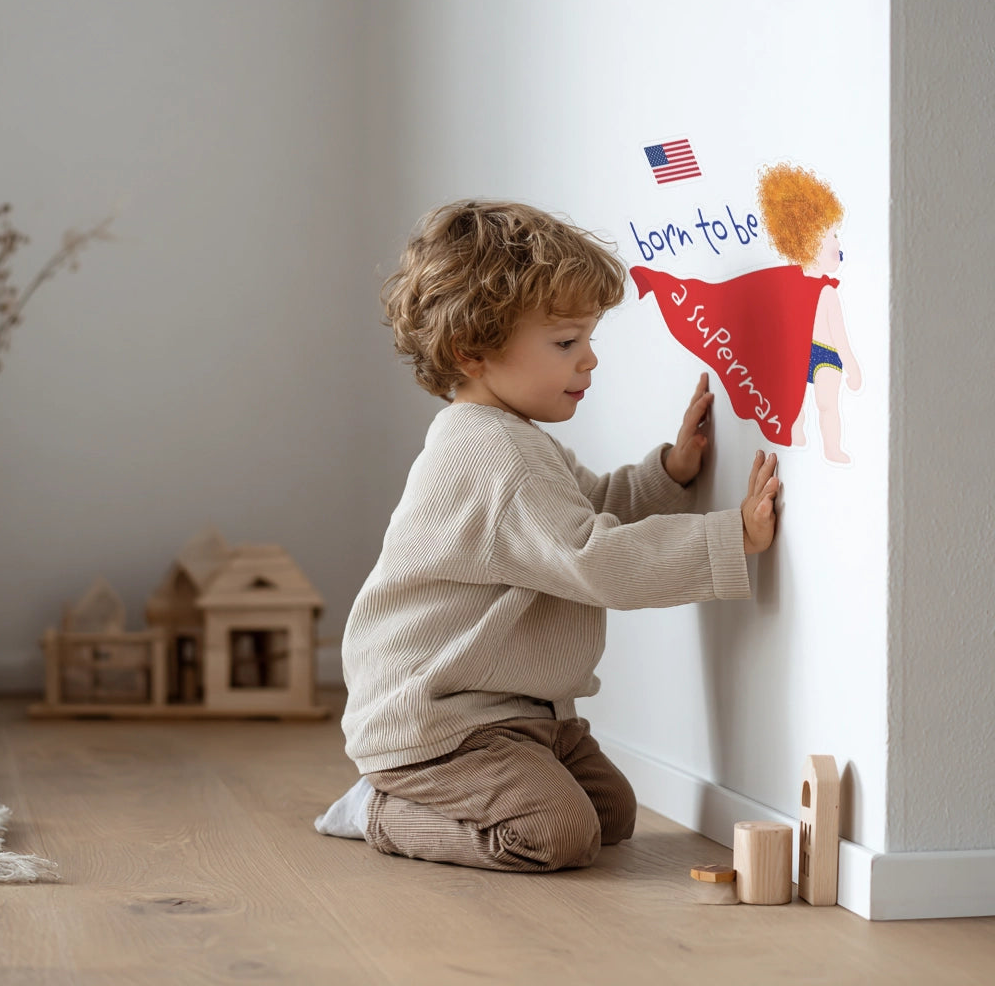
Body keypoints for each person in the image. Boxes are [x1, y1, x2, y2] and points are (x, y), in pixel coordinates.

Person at [315, 200, 780, 872]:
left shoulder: (514, 441)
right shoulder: (489, 455)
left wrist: (671, 475)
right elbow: (594, 560)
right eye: (566, 343)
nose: (589, 360)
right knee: (558, 834)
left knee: (611, 816)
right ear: (470, 352)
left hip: (517, 714)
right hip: (440, 723)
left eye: (588, 339)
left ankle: (447, 788)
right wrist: (729, 537)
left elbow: (589, 510)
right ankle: (377, 811)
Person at [756, 163, 863, 463]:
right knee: (795, 402)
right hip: (801, 351)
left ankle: (831, 447)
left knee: (827, 405)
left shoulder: (828, 292)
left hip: (827, 353)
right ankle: (797, 433)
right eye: (832, 235)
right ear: (808, 240)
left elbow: (840, 335)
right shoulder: (795, 288)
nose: (838, 244)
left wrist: (851, 365)